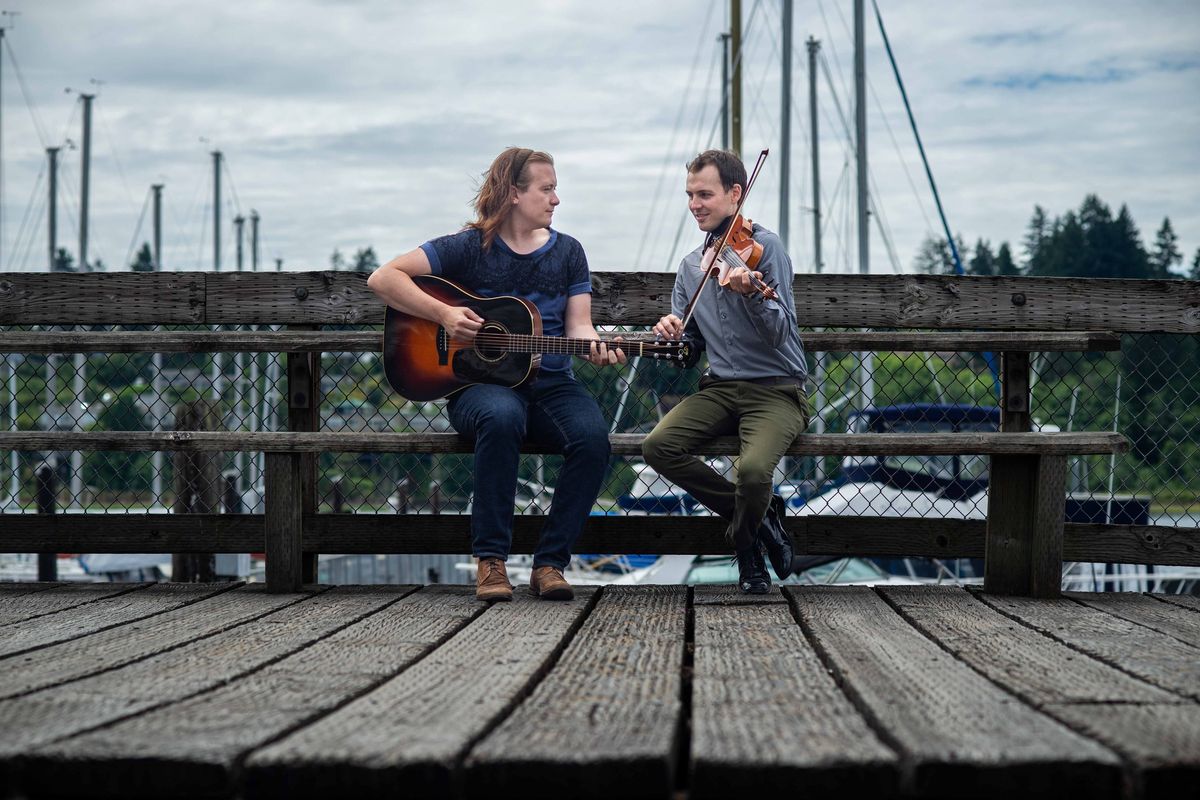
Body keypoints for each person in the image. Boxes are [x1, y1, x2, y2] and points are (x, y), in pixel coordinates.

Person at [368, 147, 625, 602]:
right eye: (547, 189)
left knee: (592, 439)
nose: (556, 199)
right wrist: (445, 315)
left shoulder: (568, 252)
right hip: (477, 385)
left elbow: (579, 326)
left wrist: (596, 349)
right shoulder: (469, 247)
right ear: (513, 194)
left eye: (555, 189)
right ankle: (491, 562)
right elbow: (383, 279)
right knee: (503, 418)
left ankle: (550, 564)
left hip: (552, 383)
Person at [642, 149, 810, 594]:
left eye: (705, 194)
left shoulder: (765, 249)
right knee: (659, 446)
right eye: (690, 195)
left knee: (753, 473)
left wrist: (752, 294)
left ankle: (745, 543)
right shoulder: (690, 268)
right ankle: (763, 519)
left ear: (735, 194)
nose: (695, 204)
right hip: (719, 389)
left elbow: (781, 335)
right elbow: (689, 352)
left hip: (777, 390)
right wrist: (671, 334)